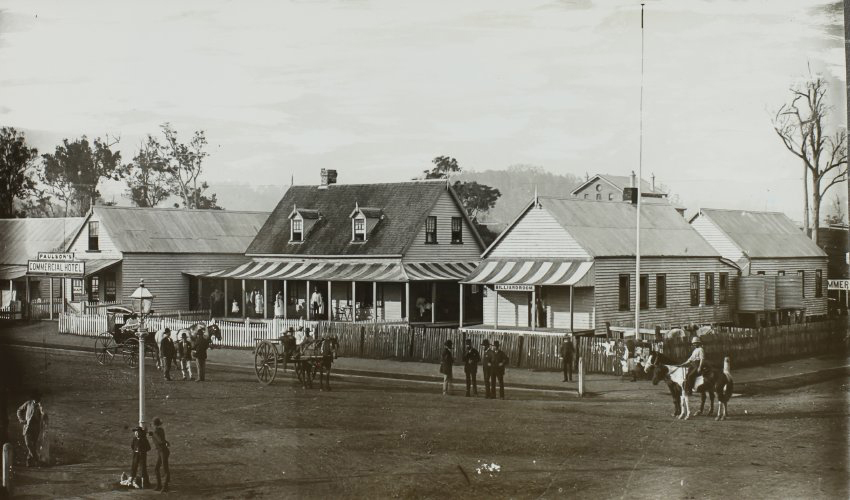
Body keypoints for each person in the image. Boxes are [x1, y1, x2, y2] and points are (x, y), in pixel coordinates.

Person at [16, 392, 45, 466]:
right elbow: (19, 410)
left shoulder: (41, 406)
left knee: (33, 445)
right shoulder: (28, 403)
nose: (38, 400)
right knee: (28, 444)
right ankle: (37, 459)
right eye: (36, 398)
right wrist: (21, 420)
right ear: (33, 398)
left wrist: (41, 407)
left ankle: (29, 463)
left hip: (36, 428)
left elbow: (44, 415)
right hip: (27, 427)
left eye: (39, 398)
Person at [149, 417, 170, 492]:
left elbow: (160, 441)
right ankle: (159, 485)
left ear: (154, 425)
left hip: (163, 451)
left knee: (165, 469)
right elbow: (163, 440)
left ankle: (165, 487)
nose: (151, 425)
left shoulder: (156, 431)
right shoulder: (161, 430)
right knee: (157, 468)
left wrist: (153, 434)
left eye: (152, 424)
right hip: (162, 451)